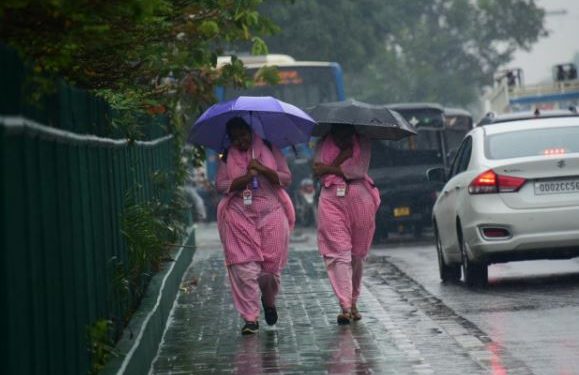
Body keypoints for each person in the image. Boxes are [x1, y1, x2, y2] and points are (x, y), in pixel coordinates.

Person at [215, 117, 295, 335]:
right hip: (239, 215)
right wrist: (243, 179)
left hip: (271, 213)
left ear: (251, 132)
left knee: (269, 272)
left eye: (243, 135)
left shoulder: (269, 148)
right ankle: (250, 318)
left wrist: (261, 169)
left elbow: (286, 178)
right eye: (235, 138)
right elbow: (221, 185)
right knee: (244, 268)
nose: (240, 141)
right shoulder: (226, 156)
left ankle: (269, 302)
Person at [313, 124, 380, 325]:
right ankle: (345, 306)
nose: (343, 137)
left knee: (357, 255)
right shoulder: (322, 144)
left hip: (360, 198)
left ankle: (353, 300)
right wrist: (342, 157)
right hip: (331, 198)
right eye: (338, 134)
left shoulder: (364, 143)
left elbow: (356, 170)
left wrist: (330, 168)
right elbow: (318, 170)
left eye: (347, 134)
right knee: (338, 253)